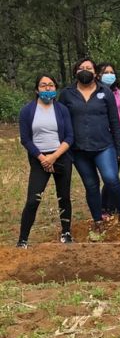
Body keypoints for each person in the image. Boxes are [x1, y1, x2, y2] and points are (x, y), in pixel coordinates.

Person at [60, 58, 120, 232]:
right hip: (78, 149)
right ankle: (98, 221)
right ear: (75, 72)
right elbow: (62, 122)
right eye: (81, 68)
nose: (85, 70)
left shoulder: (106, 92)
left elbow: (114, 121)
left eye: (89, 68)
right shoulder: (67, 94)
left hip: (104, 146)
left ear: (96, 73)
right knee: (91, 185)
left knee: (111, 179)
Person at [17, 75, 74, 246]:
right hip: (39, 159)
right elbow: (25, 139)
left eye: (51, 85)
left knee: (63, 196)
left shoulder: (62, 109)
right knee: (33, 199)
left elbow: (70, 136)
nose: (47, 88)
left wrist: (54, 156)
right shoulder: (27, 111)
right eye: (43, 85)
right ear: (37, 89)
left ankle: (66, 232)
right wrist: (43, 158)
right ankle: (23, 240)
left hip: (61, 157)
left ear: (55, 88)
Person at [97, 62, 120, 218]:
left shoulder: (117, 92)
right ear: (98, 75)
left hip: (117, 136)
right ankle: (104, 207)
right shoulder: (96, 92)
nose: (109, 75)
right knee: (109, 175)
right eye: (105, 72)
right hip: (104, 137)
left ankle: (111, 206)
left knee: (114, 174)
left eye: (111, 72)